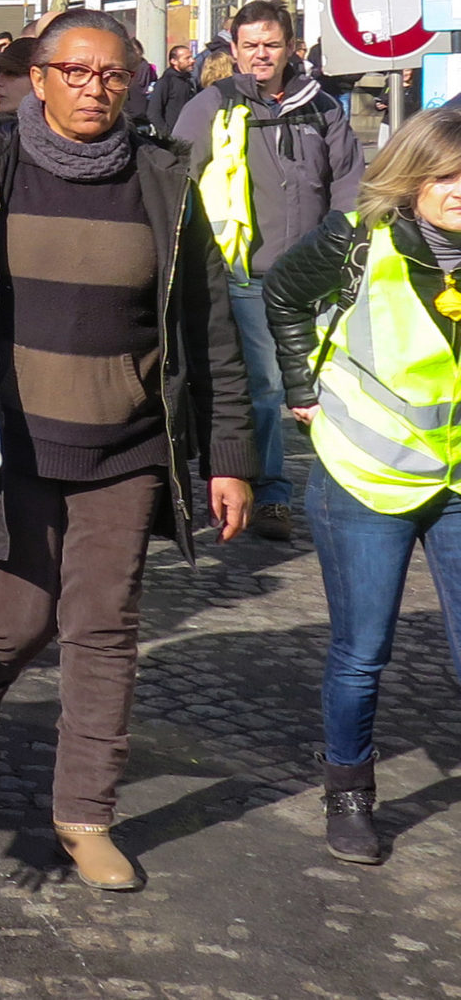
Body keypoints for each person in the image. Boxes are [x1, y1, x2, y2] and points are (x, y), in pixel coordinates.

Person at [0, 10, 253, 890]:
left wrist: (228, 453)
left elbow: (206, 326)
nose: (94, 88)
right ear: (38, 73)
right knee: (15, 622)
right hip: (13, 441)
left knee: (104, 626)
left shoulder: (163, 179)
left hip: (128, 443)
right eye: (75, 70)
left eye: (113, 74)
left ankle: (86, 813)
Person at [261, 108, 461, 865]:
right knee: (362, 651)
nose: (459, 190)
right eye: (445, 175)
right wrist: (300, 384)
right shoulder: (357, 240)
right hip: (364, 477)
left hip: (457, 476)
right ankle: (349, 794)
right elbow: (281, 291)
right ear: (412, 178)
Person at [175, 0, 363, 541]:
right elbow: (181, 176)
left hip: (317, 275)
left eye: (272, 44)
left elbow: (348, 182)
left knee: (331, 384)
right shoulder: (211, 105)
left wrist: (344, 247)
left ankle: (346, 488)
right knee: (267, 386)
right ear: (234, 49)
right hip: (245, 274)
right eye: (251, 45)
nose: (261, 54)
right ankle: (271, 492)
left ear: (291, 48)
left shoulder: (322, 107)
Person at [146, 40, 200, 137]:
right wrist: (168, 134)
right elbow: (153, 112)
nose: (192, 61)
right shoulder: (166, 82)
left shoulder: (189, 81)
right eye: (187, 58)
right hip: (174, 138)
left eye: (191, 57)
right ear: (174, 61)